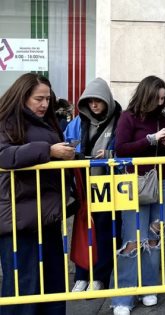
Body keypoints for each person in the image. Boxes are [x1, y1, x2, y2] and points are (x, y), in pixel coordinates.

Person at [0, 73, 76, 315]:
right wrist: (48, 150)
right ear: (22, 97)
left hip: (47, 214)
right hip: (19, 218)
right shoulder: (6, 121)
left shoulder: (46, 121)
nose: (44, 104)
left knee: (53, 283)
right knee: (25, 285)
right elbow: (5, 155)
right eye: (38, 99)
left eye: (47, 99)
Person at [111, 75, 165, 315]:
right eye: (157, 98)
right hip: (135, 182)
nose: (160, 103)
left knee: (154, 236)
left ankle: (149, 286)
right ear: (146, 95)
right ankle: (123, 297)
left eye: (163, 99)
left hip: (163, 180)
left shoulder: (164, 118)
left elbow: (161, 150)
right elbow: (121, 148)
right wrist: (151, 139)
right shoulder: (128, 117)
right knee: (131, 238)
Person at [64, 77, 123, 292]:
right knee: (82, 231)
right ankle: (81, 276)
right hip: (83, 185)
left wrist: (110, 154)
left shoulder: (119, 120)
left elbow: (125, 148)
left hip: (108, 186)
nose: (94, 105)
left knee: (105, 231)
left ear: (107, 100)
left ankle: (100, 277)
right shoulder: (78, 122)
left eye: (98, 100)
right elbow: (65, 143)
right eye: (89, 101)